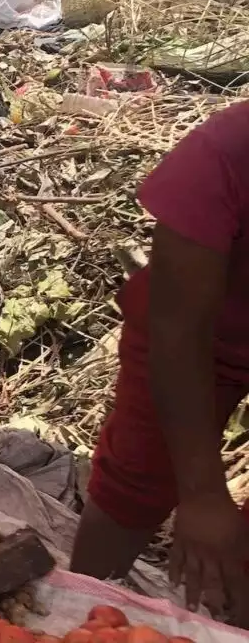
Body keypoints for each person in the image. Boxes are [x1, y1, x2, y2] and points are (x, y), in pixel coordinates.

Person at [69, 102, 249, 625]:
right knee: (138, 476)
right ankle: (80, 614)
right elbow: (178, 332)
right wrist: (202, 495)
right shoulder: (223, 154)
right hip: (202, 337)